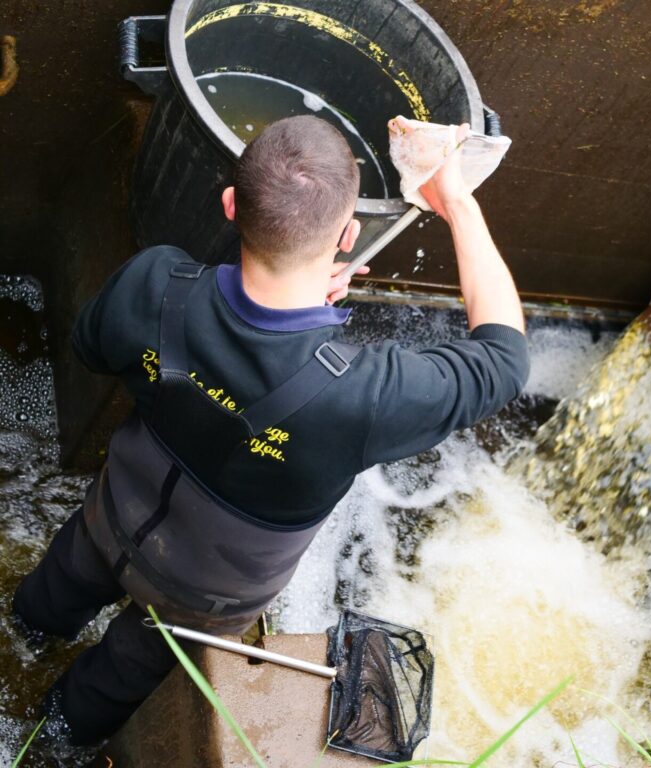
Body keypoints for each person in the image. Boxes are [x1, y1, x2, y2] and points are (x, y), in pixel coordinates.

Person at [12, 114, 528, 745]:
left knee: (48, 596)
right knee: (116, 681)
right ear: (349, 235)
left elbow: (91, 346)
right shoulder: (363, 397)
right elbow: (503, 360)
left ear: (230, 205)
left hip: (109, 518)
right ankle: (45, 741)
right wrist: (456, 200)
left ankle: (23, 639)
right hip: (203, 602)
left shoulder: (155, 284)